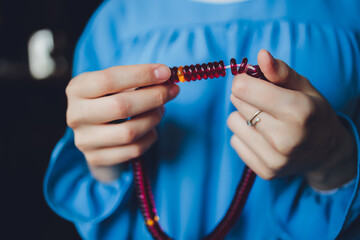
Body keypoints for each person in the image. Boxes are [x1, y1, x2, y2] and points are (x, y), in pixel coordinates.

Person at [43, 0, 360, 239]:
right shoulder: (113, 25)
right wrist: (104, 161)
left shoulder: (348, 17)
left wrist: (333, 156)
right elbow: (99, 194)